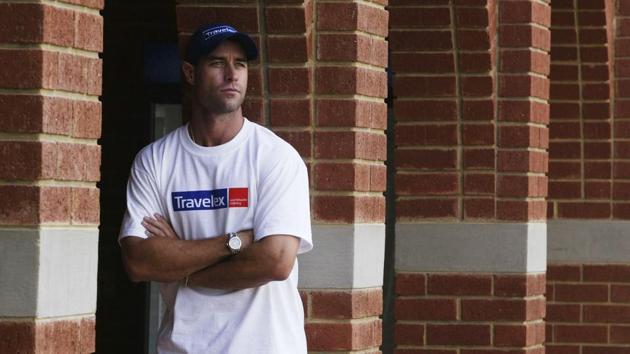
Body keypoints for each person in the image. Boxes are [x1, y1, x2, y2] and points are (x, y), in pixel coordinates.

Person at [118, 23, 313, 353]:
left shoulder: (276, 157)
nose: (232, 74)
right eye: (217, 63)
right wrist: (235, 241)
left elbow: (276, 262)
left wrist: (182, 265)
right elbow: (139, 262)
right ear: (190, 73)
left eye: (240, 64)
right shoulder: (155, 161)